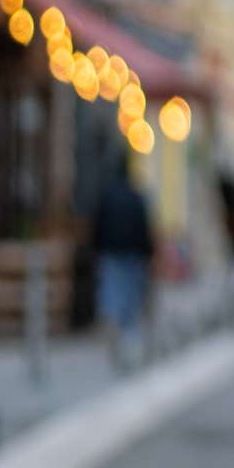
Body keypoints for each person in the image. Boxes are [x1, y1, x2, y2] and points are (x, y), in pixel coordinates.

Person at [90, 155, 154, 371]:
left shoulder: (106, 196)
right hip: (133, 255)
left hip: (110, 252)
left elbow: (97, 224)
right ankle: (127, 341)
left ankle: (113, 326)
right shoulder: (137, 197)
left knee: (111, 293)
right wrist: (148, 254)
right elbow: (144, 227)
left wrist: (97, 248)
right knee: (130, 298)